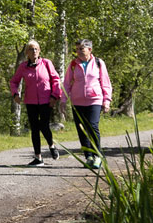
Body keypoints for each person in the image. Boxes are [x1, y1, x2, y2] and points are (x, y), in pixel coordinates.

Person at [61, 39, 112, 169]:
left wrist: (106, 101)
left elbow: (106, 83)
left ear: (89, 49)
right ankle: (88, 156)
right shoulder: (73, 64)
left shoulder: (98, 63)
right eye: (77, 49)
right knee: (81, 129)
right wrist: (63, 100)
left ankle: (97, 156)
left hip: (94, 100)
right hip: (77, 101)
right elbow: (66, 83)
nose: (78, 52)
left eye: (81, 49)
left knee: (93, 126)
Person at [9, 40, 63, 166]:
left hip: (46, 100)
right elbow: (14, 81)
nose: (34, 51)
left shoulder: (46, 63)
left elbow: (56, 79)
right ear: (27, 52)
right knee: (34, 128)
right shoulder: (23, 66)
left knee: (44, 126)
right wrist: (15, 94)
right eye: (31, 49)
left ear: (39, 51)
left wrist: (55, 96)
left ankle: (51, 145)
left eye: (36, 49)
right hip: (30, 101)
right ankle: (38, 158)